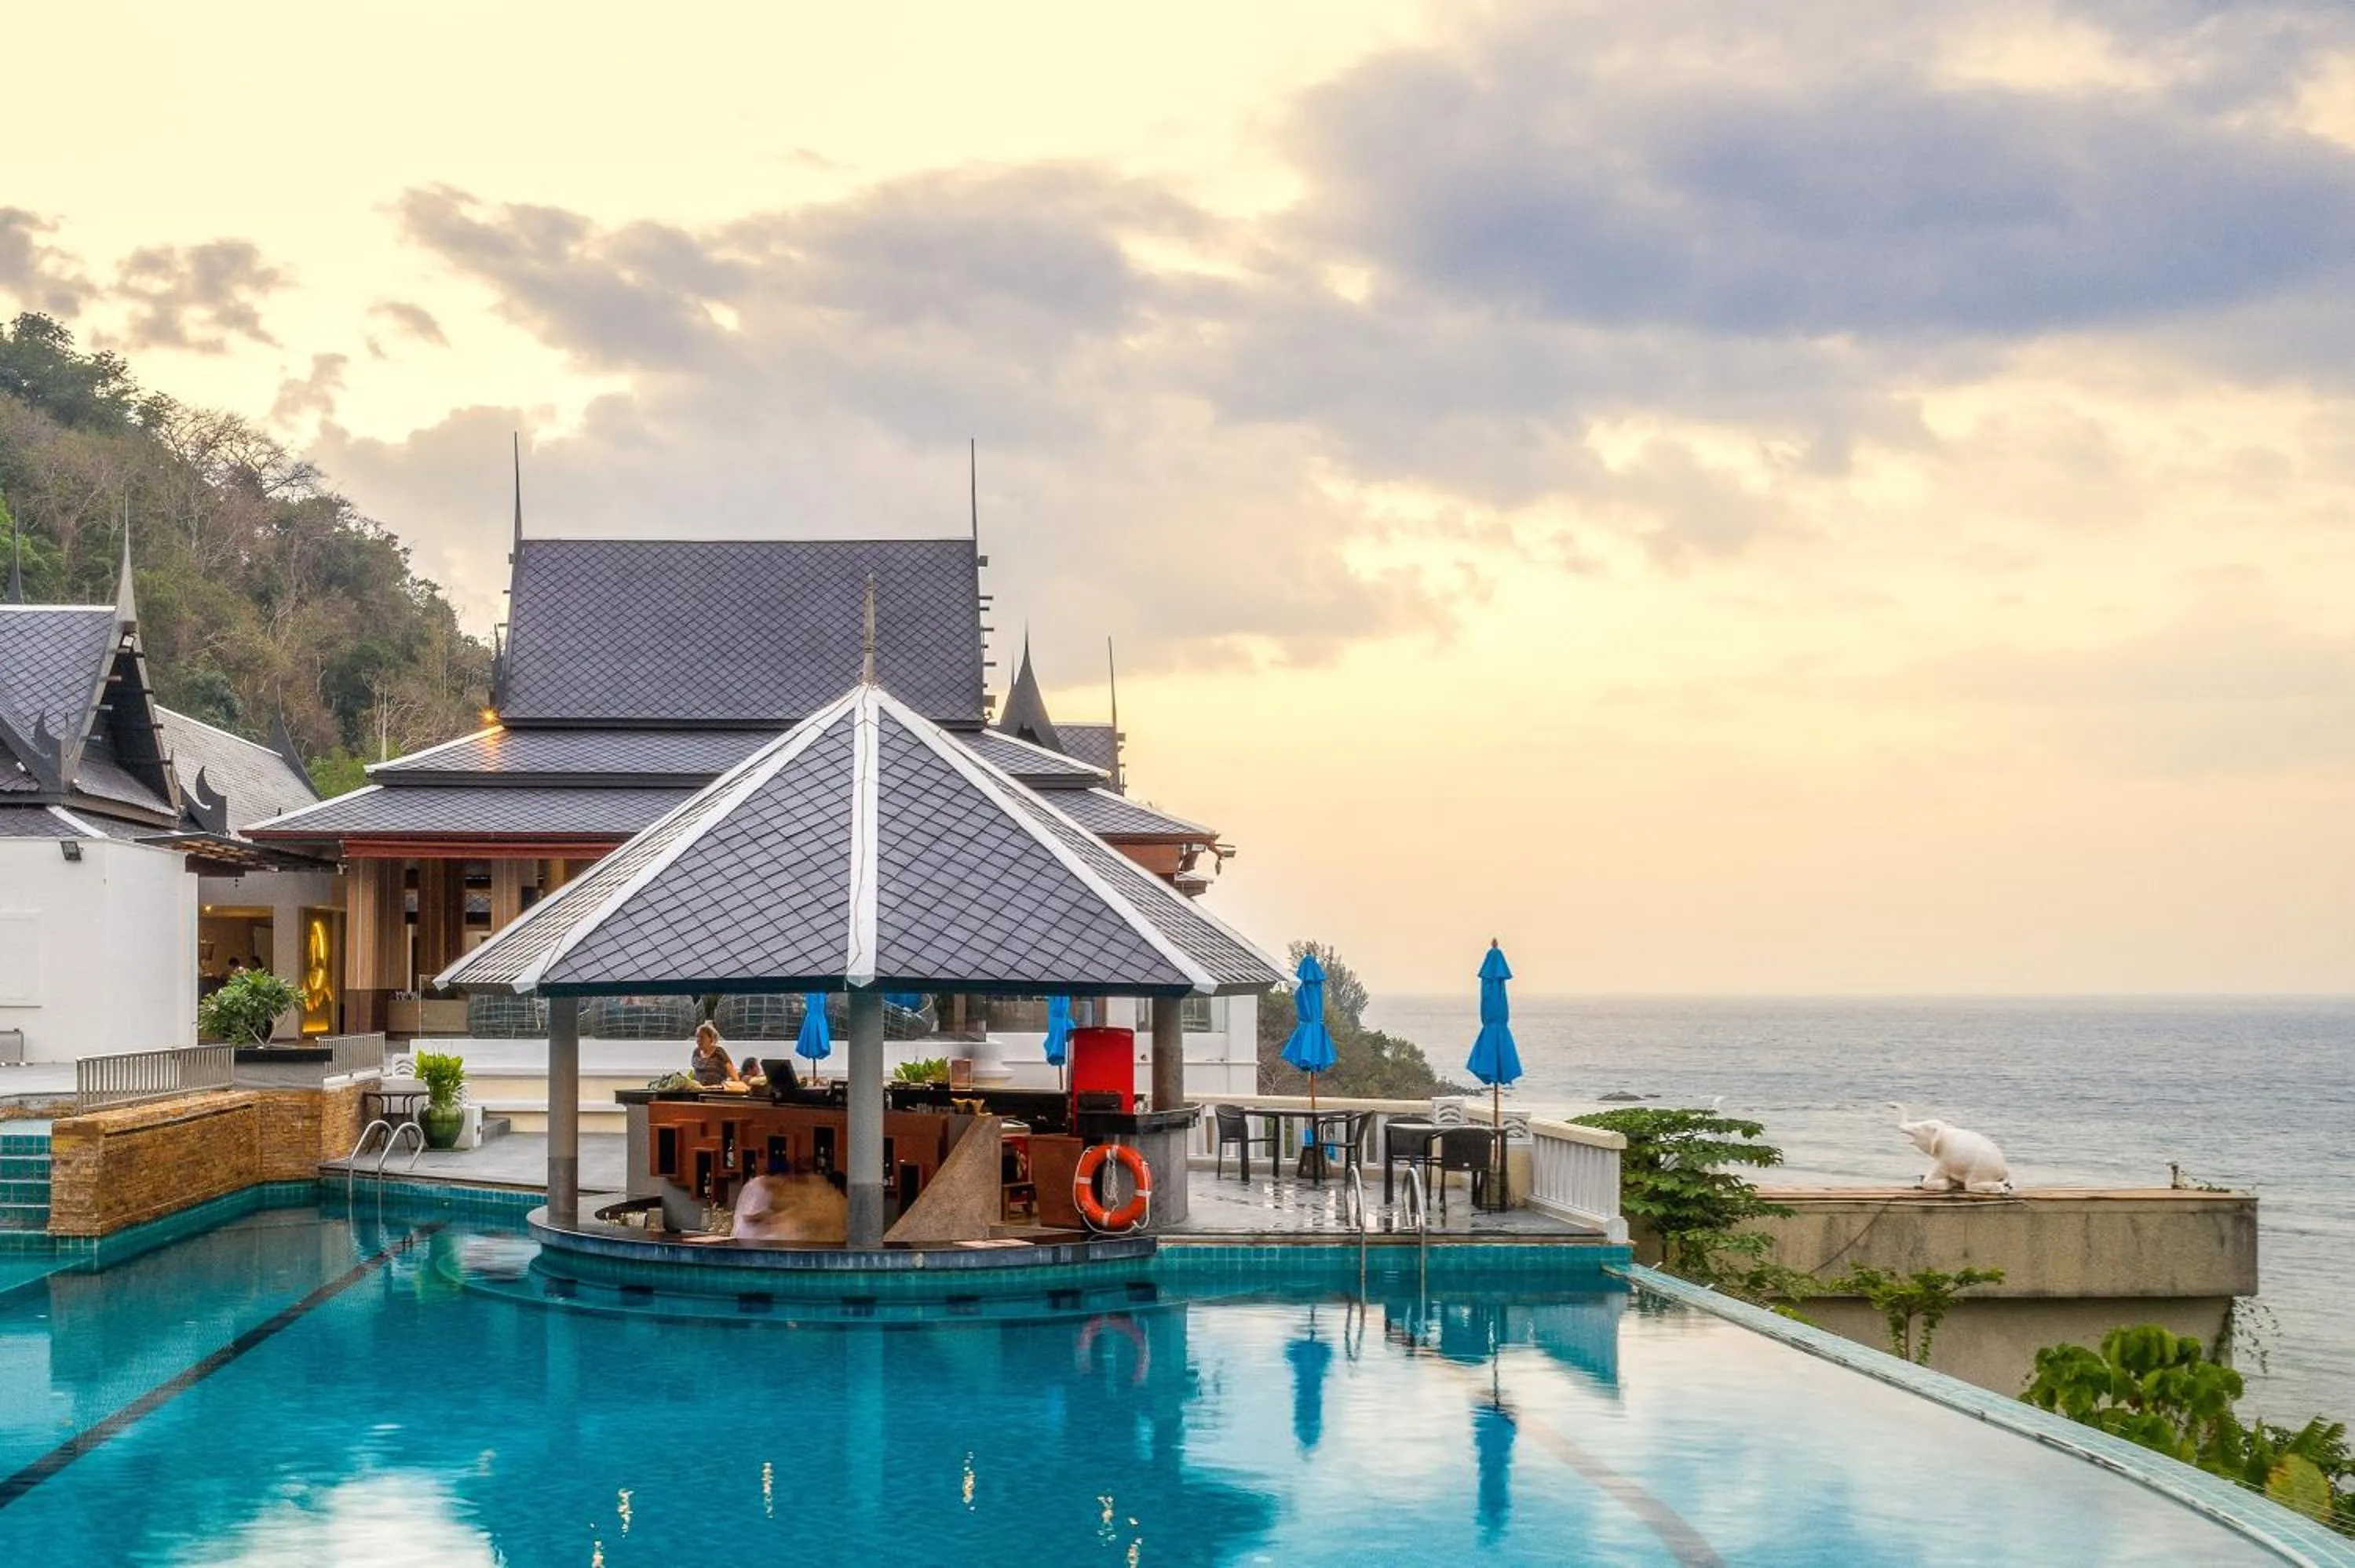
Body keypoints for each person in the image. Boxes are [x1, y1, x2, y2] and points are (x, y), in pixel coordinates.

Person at [732, 1151, 848, 1244]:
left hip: (755, 1242)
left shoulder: (820, 1192)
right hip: (751, 1241)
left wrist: (773, 1218)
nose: (788, 1180)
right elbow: (750, 1217)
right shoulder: (761, 1186)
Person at [689, 1022, 743, 1088]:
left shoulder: (719, 1052)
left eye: (702, 1037)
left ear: (711, 1039)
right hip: (698, 1091)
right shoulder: (696, 1052)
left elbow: (734, 1076)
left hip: (716, 1092)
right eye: (697, 1037)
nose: (698, 1040)